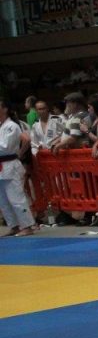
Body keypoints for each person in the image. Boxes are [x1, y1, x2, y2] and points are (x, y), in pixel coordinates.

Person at [0, 99, 35, 237]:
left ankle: (27, 226)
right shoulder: (1, 126)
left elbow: (5, 147)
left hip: (10, 164)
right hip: (2, 166)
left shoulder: (12, 126)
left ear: (5, 109)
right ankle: (14, 225)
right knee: (3, 200)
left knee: (16, 198)